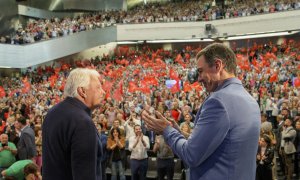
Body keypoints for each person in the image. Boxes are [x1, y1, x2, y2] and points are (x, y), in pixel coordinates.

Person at [142, 43, 261, 180]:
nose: (198, 79)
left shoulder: (217, 102)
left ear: (217, 66)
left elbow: (191, 155)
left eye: (200, 71)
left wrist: (166, 130)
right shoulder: (251, 101)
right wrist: (178, 132)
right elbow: (220, 143)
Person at [42, 68, 106, 180]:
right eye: (98, 87)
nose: (103, 92)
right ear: (82, 91)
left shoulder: (52, 113)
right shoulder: (82, 122)